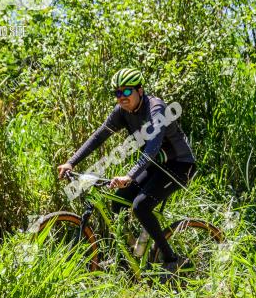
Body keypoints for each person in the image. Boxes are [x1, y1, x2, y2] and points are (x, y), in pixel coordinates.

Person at [57, 67, 196, 273]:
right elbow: (99, 136)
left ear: (140, 90)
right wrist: (71, 162)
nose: (121, 97)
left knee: (140, 206)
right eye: (117, 93)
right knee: (118, 203)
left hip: (180, 165)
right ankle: (133, 254)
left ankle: (172, 258)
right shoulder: (123, 112)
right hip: (156, 165)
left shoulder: (156, 108)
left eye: (126, 92)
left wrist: (130, 175)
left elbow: (152, 147)